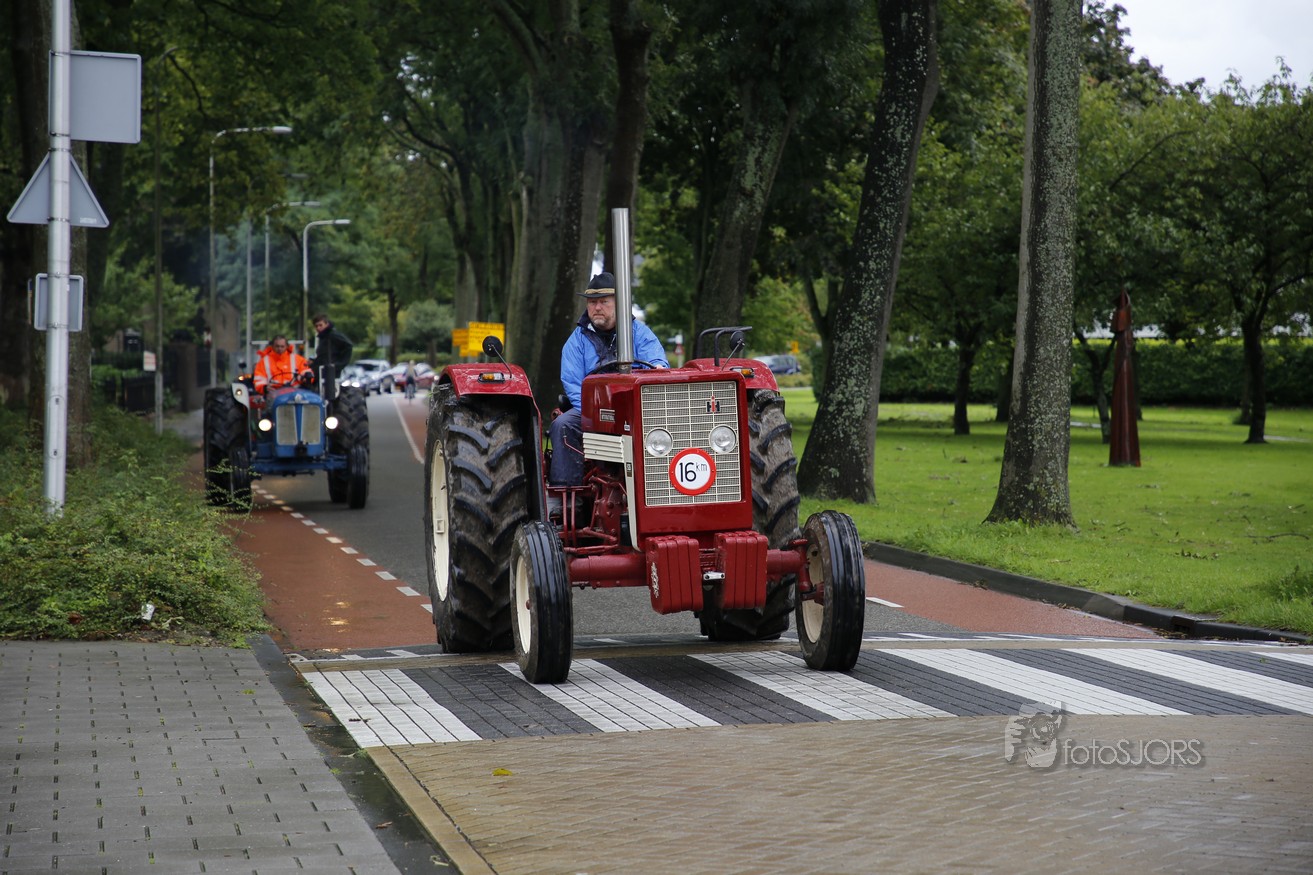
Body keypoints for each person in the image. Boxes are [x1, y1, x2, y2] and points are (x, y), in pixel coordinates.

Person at [548, 272, 669, 493]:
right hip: (591, 411)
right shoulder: (576, 341)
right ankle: (567, 496)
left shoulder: (639, 333)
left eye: (604, 302)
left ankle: (662, 489)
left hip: (636, 411)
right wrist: (597, 414)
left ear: (619, 304)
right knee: (563, 425)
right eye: (592, 302)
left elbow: (657, 363)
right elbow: (574, 385)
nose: (597, 308)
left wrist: (659, 367)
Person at [309, 313, 353, 379]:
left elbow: (348, 345)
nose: (318, 328)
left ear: (326, 324)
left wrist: (340, 364)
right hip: (323, 371)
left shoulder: (333, 335)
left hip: (331, 373)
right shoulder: (323, 338)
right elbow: (323, 357)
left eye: (320, 325)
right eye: (316, 326)